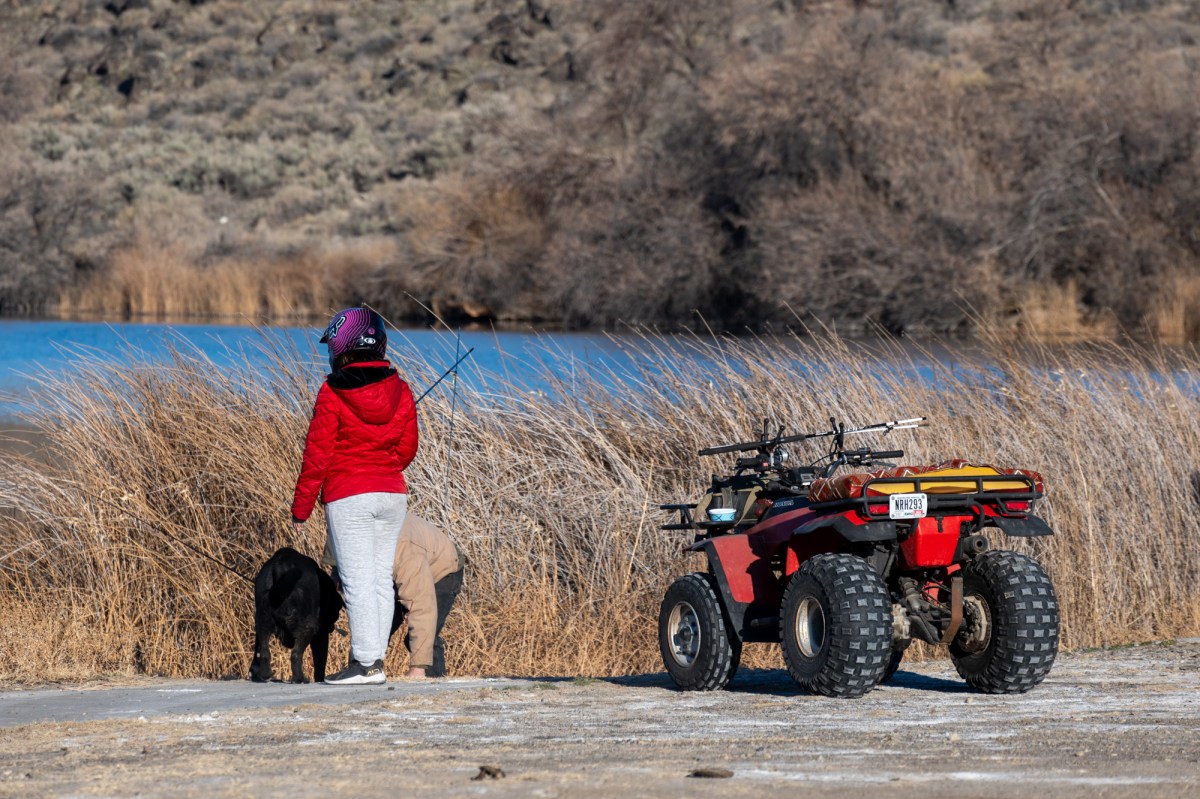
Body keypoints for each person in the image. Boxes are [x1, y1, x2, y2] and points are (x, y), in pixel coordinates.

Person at [291, 306, 417, 685]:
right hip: (392, 494)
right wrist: (382, 467)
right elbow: (407, 448)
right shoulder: (401, 388)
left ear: (340, 348)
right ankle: (374, 662)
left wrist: (301, 508)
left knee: (357, 579)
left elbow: (317, 455)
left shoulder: (332, 391)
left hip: (349, 495)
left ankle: (365, 664)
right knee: (379, 579)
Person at [322, 513, 465, 678]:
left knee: (423, 638)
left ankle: (434, 684)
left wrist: (417, 668)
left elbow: (422, 607)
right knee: (370, 634)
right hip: (393, 570)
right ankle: (360, 674)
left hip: (442, 569)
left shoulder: (403, 555)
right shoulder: (348, 535)